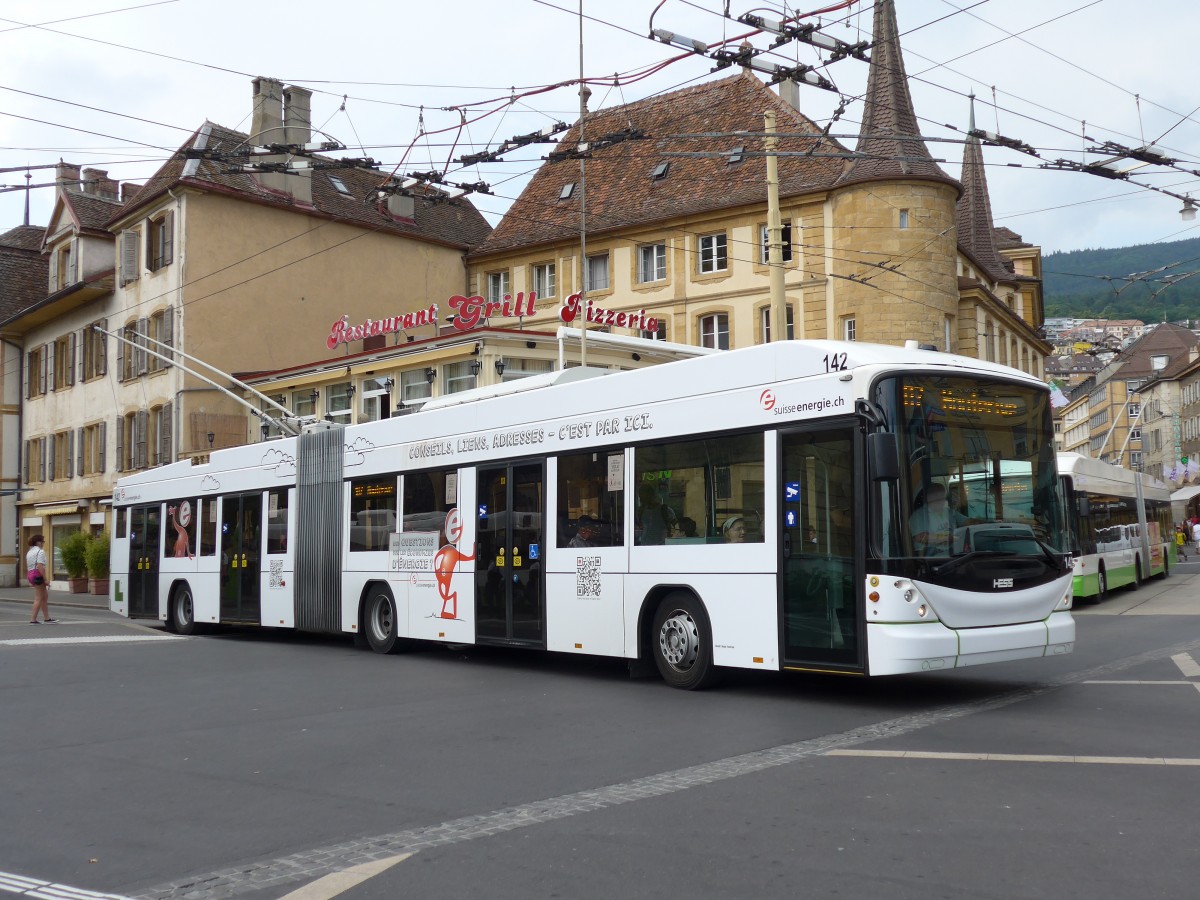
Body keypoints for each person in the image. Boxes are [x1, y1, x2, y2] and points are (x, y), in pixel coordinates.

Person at [908, 482, 964, 556]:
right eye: (936, 497)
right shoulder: (918, 515)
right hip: (929, 558)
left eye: (942, 498)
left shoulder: (949, 512)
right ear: (928, 497)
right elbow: (920, 538)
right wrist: (947, 538)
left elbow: (967, 521)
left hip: (952, 555)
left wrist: (980, 522)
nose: (940, 501)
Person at [26, 534, 55, 624]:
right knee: (39, 597)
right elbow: (40, 566)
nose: (43, 543)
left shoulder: (29, 552)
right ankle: (33, 619)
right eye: (42, 541)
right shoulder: (40, 551)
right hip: (37, 574)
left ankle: (47, 618)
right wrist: (45, 579)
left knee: (44, 596)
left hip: (31, 573)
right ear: (38, 542)